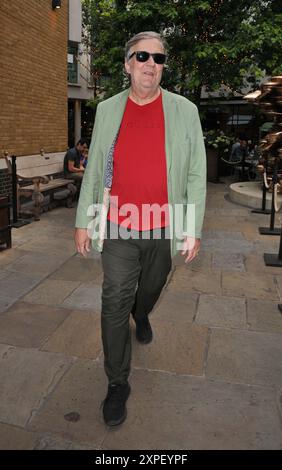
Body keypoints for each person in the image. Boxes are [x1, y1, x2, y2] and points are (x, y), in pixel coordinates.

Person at [74, 31, 206, 427]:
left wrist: (192, 227)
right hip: (117, 226)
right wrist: (84, 221)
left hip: (164, 226)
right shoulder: (108, 109)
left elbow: (197, 172)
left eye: (159, 58)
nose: (152, 64)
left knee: (149, 288)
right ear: (128, 63)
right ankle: (117, 382)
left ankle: (142, 311)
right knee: (113, 298)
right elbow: (96, 167)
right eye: (143, 56)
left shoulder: (185, 110)